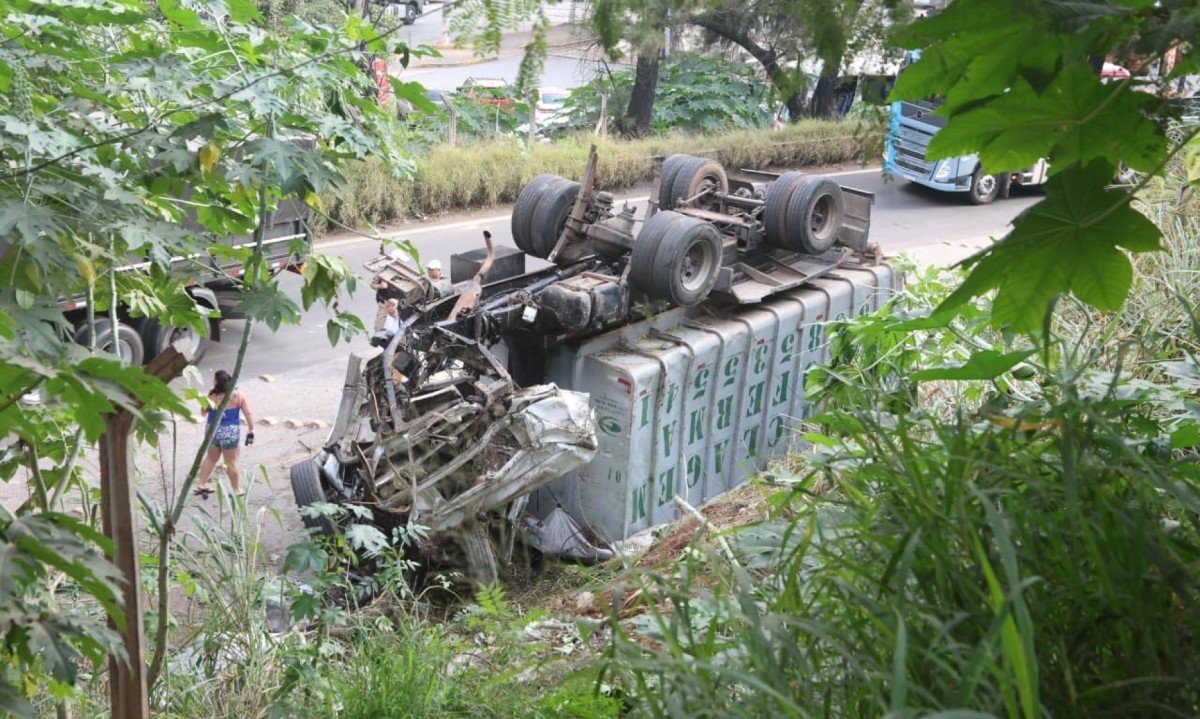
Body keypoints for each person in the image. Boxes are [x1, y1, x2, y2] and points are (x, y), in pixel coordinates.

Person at [195, 370, 255, 499]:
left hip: (213, 431)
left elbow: (203, 413)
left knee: (211, 459)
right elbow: (248, 413)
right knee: (231, 461)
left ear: (217, 382)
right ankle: (237, 489)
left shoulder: (211, 396)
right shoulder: (238, 395)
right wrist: (251, 429)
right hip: (230, 433)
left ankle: (202, 483)